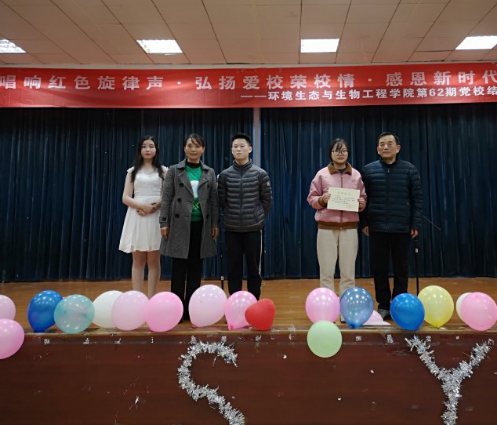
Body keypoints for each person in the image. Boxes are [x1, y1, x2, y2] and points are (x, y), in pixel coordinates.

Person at [361, 132, 423, 320]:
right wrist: (364, 222)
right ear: (377, 149)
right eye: (382, 144)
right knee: (379, 268)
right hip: (377, 227)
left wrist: (415, 223)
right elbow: (362, 199)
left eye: (389, 143)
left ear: (398, 148)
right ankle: (383, 305)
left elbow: (417, 199)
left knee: (401, 269)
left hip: (402, 227)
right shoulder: (368, 170)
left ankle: (399, 304)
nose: (385, 147)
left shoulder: (410, 170)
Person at [159, 134, 219, 321]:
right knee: (178, 268)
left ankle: (191, 309)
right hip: (178, 225)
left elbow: (214, 201)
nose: (193, 149)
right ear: (184, 148)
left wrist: (215, 223)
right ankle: (176, 310)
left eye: (197, 146)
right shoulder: (174, 170)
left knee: (196, 268)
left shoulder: (209, 172)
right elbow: (166, 198)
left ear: (203, 149)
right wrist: (164, 222)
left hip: (201, 225)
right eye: (190, 146)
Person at [307, 138, 367, 301]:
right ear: (330, 153)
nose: (340, 154)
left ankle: (346, 306)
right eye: (336, 150)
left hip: (349, 228)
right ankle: (328, 305)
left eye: (343, 150)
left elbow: (362, 197)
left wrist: (362, 204)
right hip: (326, 228)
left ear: (348, 153)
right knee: (326, 272)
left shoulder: (356, 175)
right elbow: (311, 198)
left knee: (348, 272)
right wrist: (321, 200)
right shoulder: (321, 174)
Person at [218, 132, 272, 300]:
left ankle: (254, 302)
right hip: (232, 229)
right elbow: (221, 201)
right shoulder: (225, 175)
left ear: (250, 149)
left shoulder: (260, 174)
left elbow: (267, 201)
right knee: (233, 269)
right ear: (231, 150)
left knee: (254, 269)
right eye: (235, 146)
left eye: (242, 146)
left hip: (253, 229)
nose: (238, 149)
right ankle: (234, 302)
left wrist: (258, 218)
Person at [119, 135, 167, 298]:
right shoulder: (132, 172)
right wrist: (142, 206)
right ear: (140, 150)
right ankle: (137, 298)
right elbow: (125, 197)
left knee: (154, 261)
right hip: (137, 216)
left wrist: (154, 206)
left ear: (156, 149)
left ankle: (152, 297)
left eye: (151, 146)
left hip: (156, 217)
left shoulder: (164, 171)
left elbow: (167, 195)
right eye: (144, 146)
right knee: (138, 261)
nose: (148, 149)